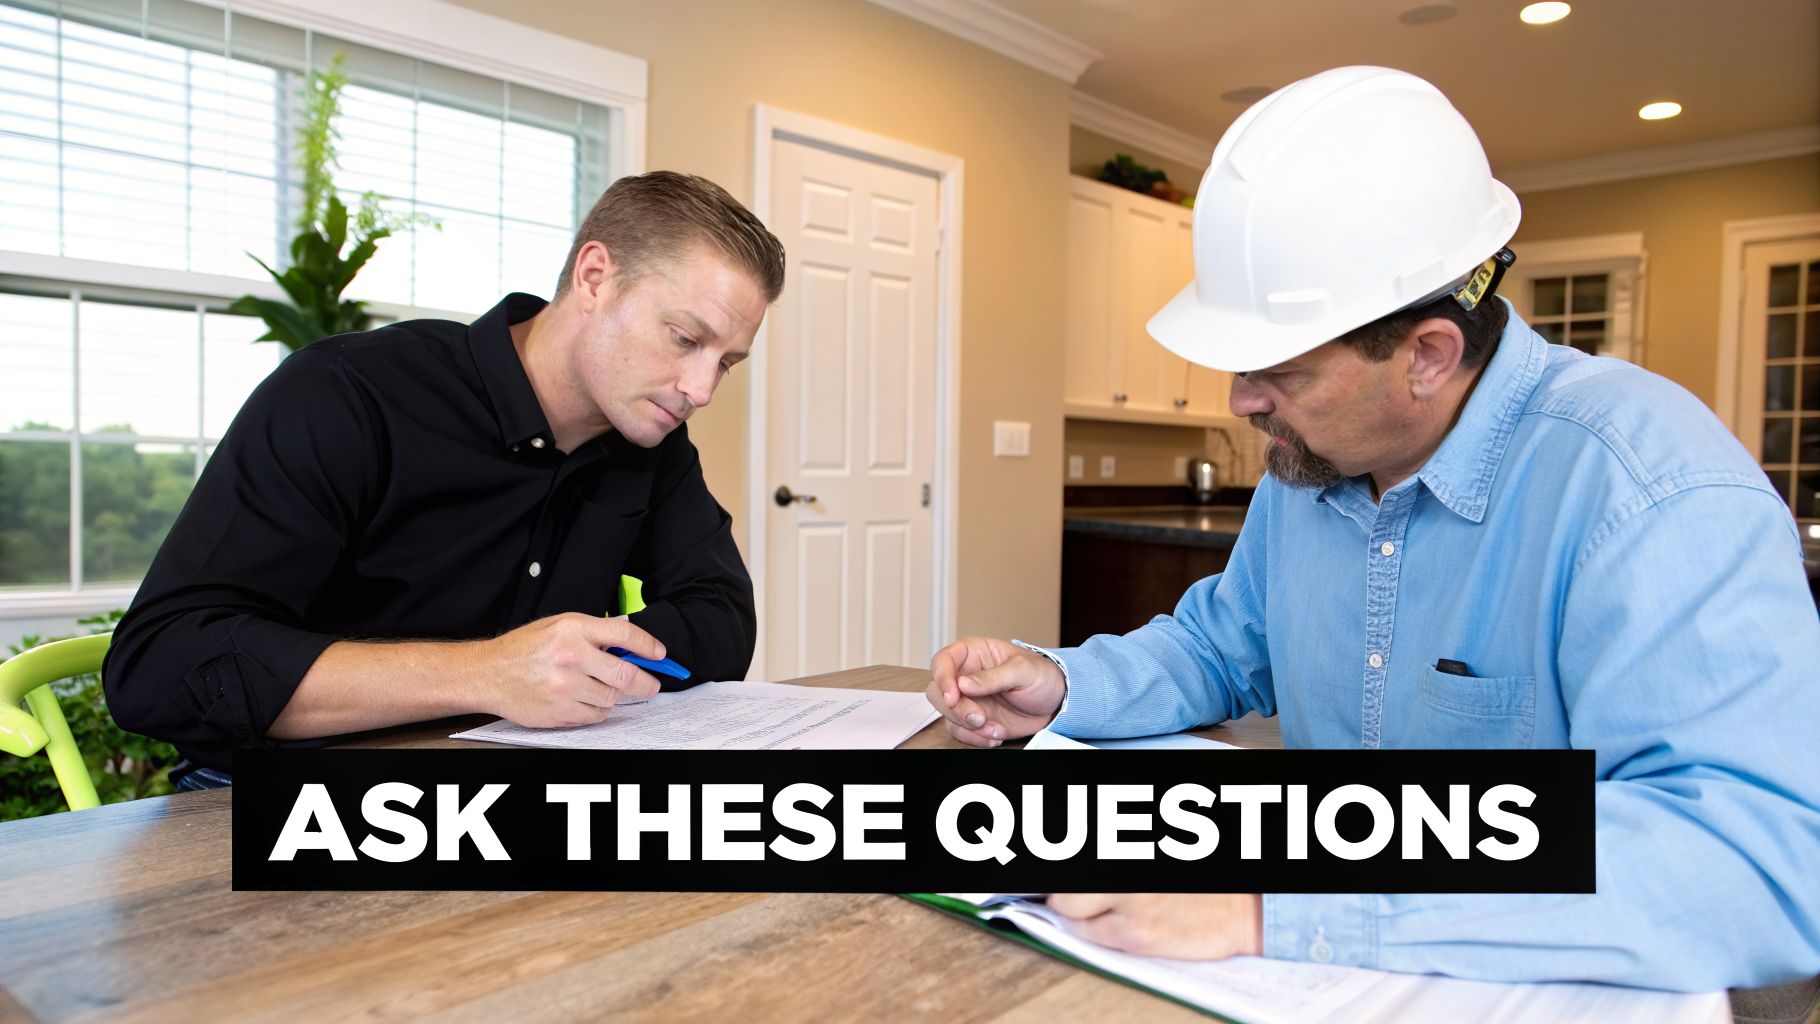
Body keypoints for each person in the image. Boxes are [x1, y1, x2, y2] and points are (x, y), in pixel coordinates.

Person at [927, 66, 1820, 991]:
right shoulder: (1311, 464)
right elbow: (1222, 650)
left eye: (1279, 371)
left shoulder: (1650, 488)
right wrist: (1066, 680)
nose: (1240, 402)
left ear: (1427, 356)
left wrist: (1272, 910)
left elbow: (1756, 860)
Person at [105, 171, 785, 790]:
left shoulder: (650, 441)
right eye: (685, 339)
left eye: (727, 362)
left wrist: (575, 660)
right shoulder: (346, 394)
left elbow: (721, 620)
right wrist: (489, 674)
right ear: (595, 276)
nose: (701, 389)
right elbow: (159, 665)